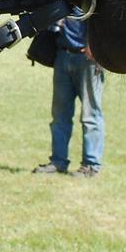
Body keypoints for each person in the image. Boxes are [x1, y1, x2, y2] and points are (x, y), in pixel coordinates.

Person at [32, 14, 105, 178]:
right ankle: (58, 162)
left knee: (90, 115)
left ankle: (91, 166)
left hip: (88, 60)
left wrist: (95, 46)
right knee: (59, 115)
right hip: (62, 56)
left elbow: (106, 20)